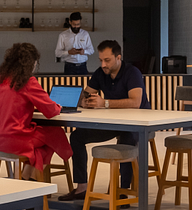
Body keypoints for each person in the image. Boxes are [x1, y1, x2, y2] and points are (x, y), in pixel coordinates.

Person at [59, 40, 150, 201]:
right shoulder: (101, 73)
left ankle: (123, 191)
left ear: (118, 58)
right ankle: (81, 188)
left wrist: (104, 103)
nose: (103, 64)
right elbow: (85, 94)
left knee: (126, 140)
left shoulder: (132, 72)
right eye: (101, 60)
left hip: (139, 125)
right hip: (114, 123)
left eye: (107, 60)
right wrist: (84, 102)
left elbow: (135, 102)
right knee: (76, 136)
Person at [0, 43, 73, 179]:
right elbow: (51, 111)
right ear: (31, 63)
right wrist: (58, 107)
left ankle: (27, 177)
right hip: (16, 139)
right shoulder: (27, 82)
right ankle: (33, 178)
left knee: (40, 148)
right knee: (55, 133)